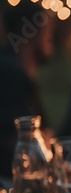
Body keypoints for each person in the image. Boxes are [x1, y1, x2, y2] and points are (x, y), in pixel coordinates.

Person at [0, 1, 54, 177]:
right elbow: (18, 141)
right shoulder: (10, 76)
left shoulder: (17, 71)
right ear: (32, 33)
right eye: (47, 33)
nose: (50, 40)